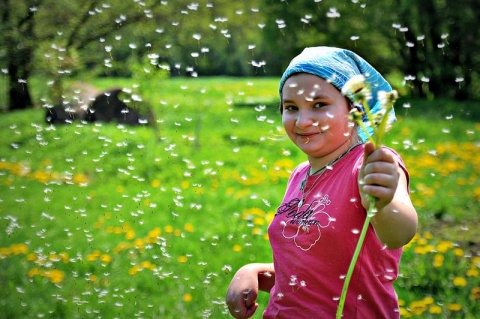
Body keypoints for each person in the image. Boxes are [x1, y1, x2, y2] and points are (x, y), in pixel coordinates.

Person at [225, 46, 418, 318]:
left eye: (319, 105)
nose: (303, 121)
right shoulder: (299, 175)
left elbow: (399, 234)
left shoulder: (368, 166)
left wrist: (383, 204)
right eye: (291, 107)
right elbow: (310, 273)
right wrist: (255, 272)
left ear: (356, 110)